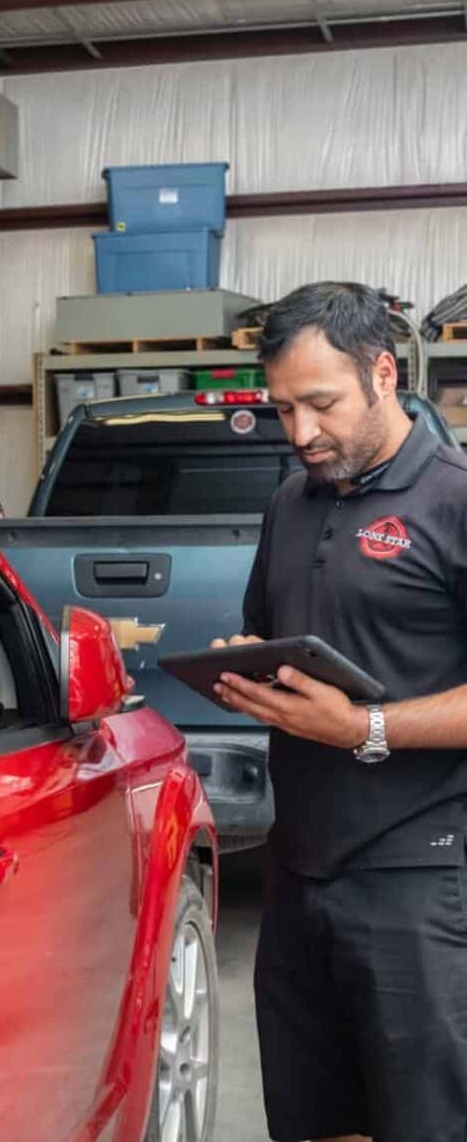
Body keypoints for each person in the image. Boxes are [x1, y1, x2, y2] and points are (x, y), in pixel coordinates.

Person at [211, 282, 467, 1142]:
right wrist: (245, 671)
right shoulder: (290, 502)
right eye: (282, 409)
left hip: (422, 875)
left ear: (382, 373)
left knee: (423, 1119)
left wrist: (364, 729)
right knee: (313, 1117)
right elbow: (269, 631)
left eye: (319, 404)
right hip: (298, 867)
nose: (300, 435)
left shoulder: (454, 499)